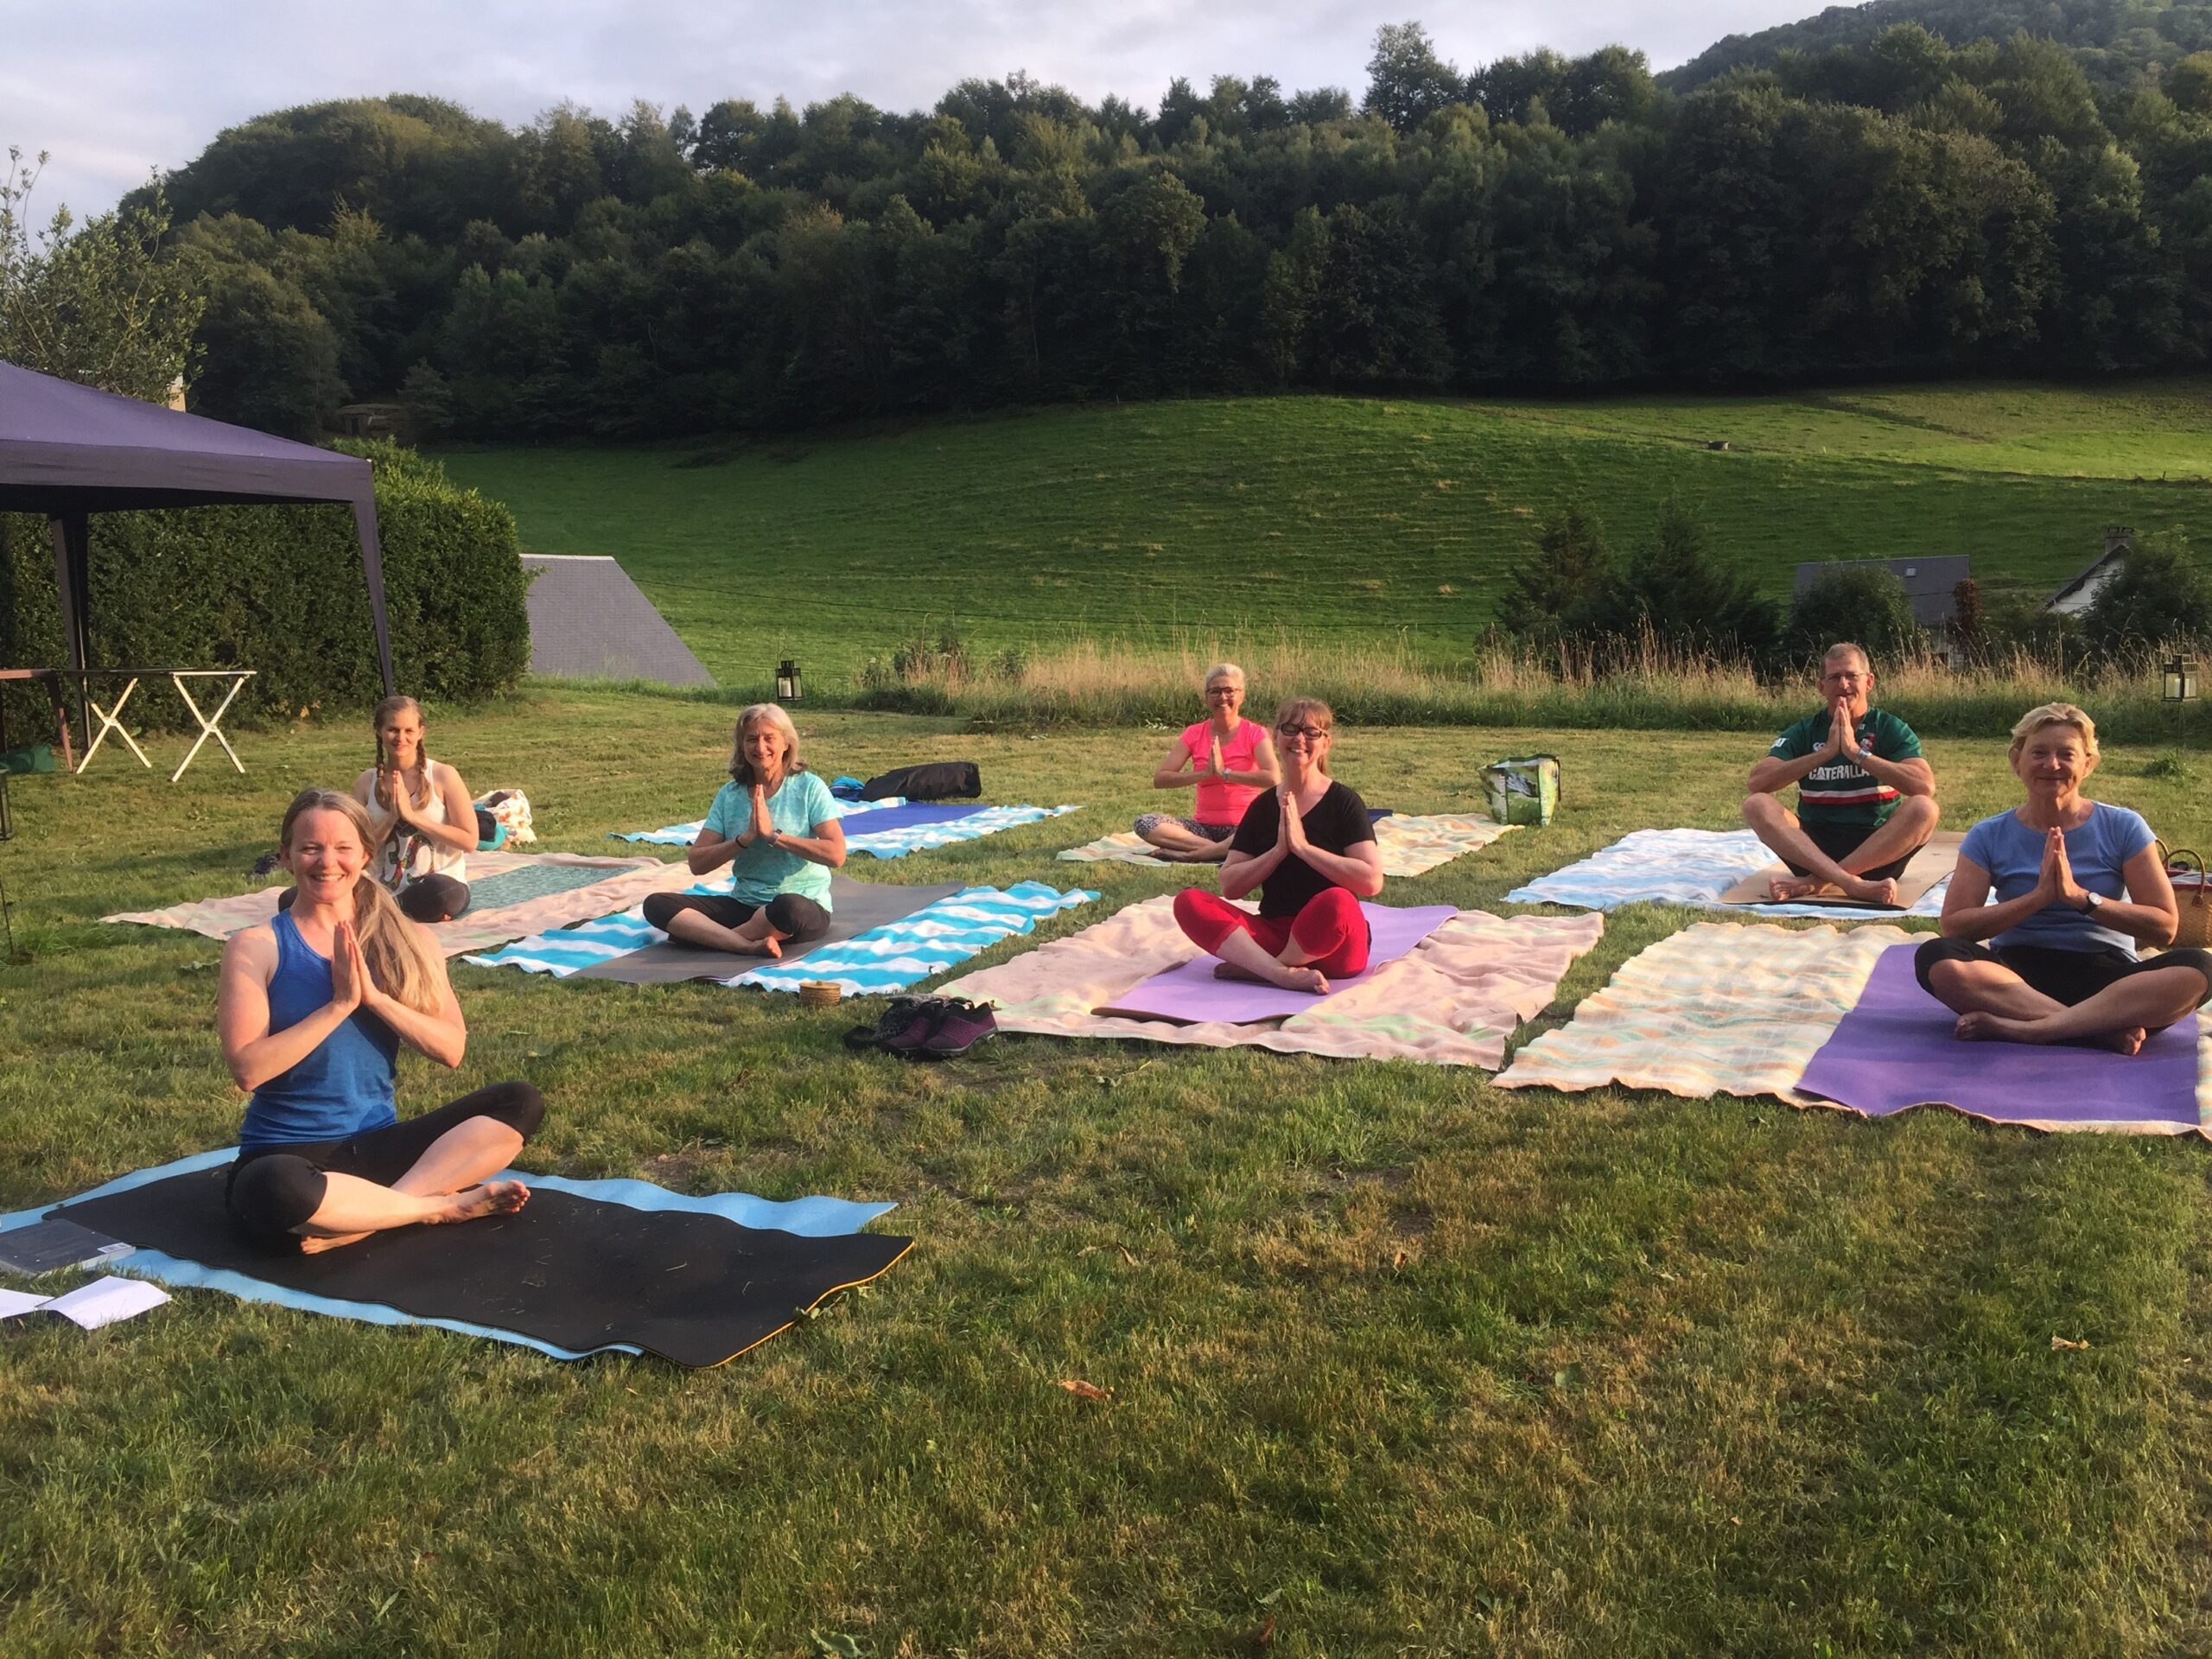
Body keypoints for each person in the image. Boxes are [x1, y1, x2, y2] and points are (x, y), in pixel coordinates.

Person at [219, 789, 543, 1254]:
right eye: (310, 848)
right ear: (287, 856)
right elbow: (248, 1070)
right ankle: (434, 1207)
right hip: (288, 1155)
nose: (326, 862)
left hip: (380, 1149)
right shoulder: (256, 946)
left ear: (366, 855)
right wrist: (338, 1006)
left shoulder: (409, 941)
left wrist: (376, 999)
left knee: (519, 1100)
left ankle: (372, 1216)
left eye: (343, 848)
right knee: (272, 1186)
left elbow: (451, 1050)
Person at [1916, 703, 2212, 1053]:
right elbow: (1955, 927)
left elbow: (2165, 927)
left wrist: (2081, 899)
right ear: (2017, 761)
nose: (2052, 765)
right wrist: (2038, 898)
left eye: (2066, 754)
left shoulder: (2123, 827)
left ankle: (2033, 1030)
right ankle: (2096, 1032)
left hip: (2109, 980)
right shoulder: (1989, 834)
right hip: (2015, 978)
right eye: (2039, 753)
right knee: (1936, 957)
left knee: (2200, 967)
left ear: (2088, 764)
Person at [1171, 696, 1384, 995]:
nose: (1299, 738)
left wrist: (1304, 848)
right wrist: (1278, 851)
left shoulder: (1344, 802)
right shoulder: (1262, 807)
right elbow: (1230, 885)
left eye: (1311, 732)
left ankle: (1264, 969)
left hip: (1334, 944)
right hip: (1274, 935)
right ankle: (1279, 973)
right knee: (1188, 901)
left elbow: (1371, 881)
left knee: (1338, 901)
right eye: (1290, 729)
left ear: (1325, 743)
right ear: (1276, 737)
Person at [642, 703, 847, 957]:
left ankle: (710, 938)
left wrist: (774, 836)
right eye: (752, 739)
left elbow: (836, 854)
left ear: (786, 743)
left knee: (787, 907)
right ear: (742, 746)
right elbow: (697, 862)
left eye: (769, 738)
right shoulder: (731, 795)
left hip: (799, 906)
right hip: (745, 903)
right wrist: (743, 840)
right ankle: (744, 944)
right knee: (656, 904)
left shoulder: (809, 787)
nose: (760, 747)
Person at [1743, 641, 1939, 905]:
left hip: (1878, 850)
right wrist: (1824, 753)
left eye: (1851, 676)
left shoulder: (1890, 728)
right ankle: (1851, 884)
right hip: (1813, 849)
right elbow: (1758, 782)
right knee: (1756, 805)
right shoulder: (1805, 730)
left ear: (1869, 682)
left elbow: (1924, 786)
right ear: (1821, 686)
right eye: (1834, 677)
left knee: (1925, 809)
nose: (1843, 685)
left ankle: (1816, 882)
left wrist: (1857, 753)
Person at [348, 695, 479, 924]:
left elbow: (469, 841)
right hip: (382, 886)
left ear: (420, 732)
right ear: (378, 731)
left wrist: (412, 817)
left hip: (438, 884)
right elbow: (356, 851)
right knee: (298, 897)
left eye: (409, 731)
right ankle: (387, 909)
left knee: (441, 893)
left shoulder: (443, 775)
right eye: (393, 730)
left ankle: (383, 912)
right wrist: (391, 818)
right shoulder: (365, 782)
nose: (401, 738)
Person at [1134, 662, 1281, 863]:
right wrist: (1203, 774)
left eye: (1229, 691)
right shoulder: (1194, 733)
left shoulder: (1255, 733)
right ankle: (1221, 851)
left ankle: (1193, 854)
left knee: (1269, 829)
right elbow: (1161, 779)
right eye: (1215, 691)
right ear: (1207, 697)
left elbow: (1272, 777)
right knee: (1145, 823)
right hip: (1202, 830)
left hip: (1243, 826)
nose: (1222, 697)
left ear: (1241, 696)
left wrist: (1225, 773)